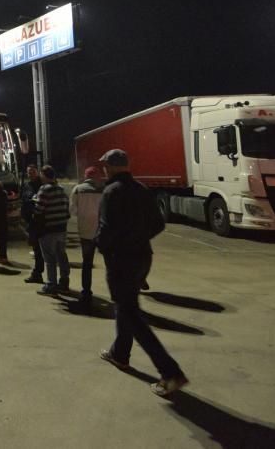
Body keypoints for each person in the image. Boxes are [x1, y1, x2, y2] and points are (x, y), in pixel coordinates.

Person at [95, 149, 188, 397]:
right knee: (126, 306)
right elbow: (158, 224)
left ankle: (170, 372)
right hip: (142, 258)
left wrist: (103, 246)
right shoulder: (141, 189)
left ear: (112, 167)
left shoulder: (111, 192)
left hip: (121, 260)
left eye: (105, 165)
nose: (103, 168)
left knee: (131, 314)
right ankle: (120, 354)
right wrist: (138, 239)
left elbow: (105, 230)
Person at [34, 165, 71, 294]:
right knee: (62, 255)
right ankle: (64, 281)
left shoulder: (44, 190)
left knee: (49, 259)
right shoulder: (61, 189)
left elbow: (39, 210)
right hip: (61, 228)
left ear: (44, 175)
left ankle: (51, 285)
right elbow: (67, 208)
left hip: (49, 228)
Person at [70, 166, 104, 305]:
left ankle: (86, 292)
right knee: (110, 262)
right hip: (102, 231)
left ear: (85, 176)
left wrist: (83, 215)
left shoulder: (78, 189)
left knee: (87, 263)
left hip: (85, 231)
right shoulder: (103, 190)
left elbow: (72, 210)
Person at [21, 165, 45, 283]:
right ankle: (38, 273)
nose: (30, 174)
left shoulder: (43, 185)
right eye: (29, 172)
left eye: (33, 172)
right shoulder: (27, 185)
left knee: (46, 251)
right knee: (37, 249)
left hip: (42, 221)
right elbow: (24, 200)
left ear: (38, 172)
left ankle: (53, 279)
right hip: (32, 221)